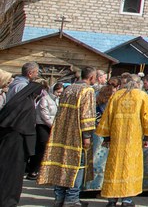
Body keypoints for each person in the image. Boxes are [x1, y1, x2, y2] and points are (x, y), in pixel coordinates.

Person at [38, 65, 99, 207]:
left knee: (61, 164)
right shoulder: (87, 90)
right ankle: (72, 199)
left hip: (62, 132)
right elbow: (87, 114)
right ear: (91, 77)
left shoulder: (69, 88)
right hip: (76, 134)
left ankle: (59, 197)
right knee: (78, 166)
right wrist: (87, 136)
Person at [95, 74, 148, 207]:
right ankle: (127, 200)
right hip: (133, 140)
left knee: (115, 167)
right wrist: (147, 137)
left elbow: (107, 117)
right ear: (138, 84)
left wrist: (106, 137)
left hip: (116, 140)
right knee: (130, 168)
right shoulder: (142, 96)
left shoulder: (117, 96)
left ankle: (112, 200)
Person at [0, 77, 44, 207]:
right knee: (13, 176)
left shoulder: (17, 102)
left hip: (8, 142)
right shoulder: (27, 105)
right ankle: (8, 201)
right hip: (18, 145)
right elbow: (27, 128)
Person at [84, 77, 121, 193]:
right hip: (107, 132)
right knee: (103, 159)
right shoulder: (115, 98)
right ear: (118, 86)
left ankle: (88, 185)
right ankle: (98, 185)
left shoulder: (97, 94)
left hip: (96, 130)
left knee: (93, 156)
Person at [26, 80, 61, 178]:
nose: (59, 94)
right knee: (41, 147)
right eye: (57, 92)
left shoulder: (57, 100)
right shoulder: (45, 99)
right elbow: (44, 114)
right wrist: (52, 125)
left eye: (60, 92)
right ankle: (33, 170)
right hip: (43, 126)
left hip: (52, 126)